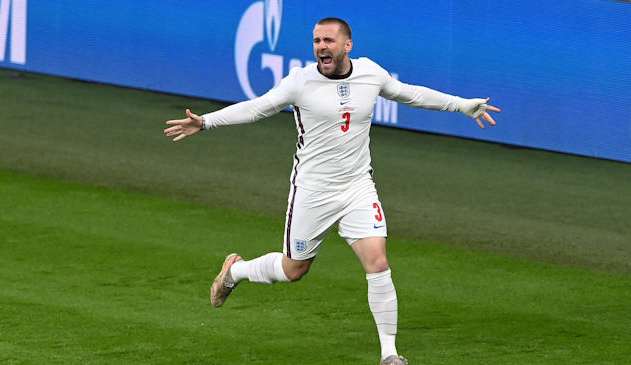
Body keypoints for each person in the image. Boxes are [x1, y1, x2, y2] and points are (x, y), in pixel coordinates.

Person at [164, 17, 500, 365]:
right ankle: (235, 272)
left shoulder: (371, 73)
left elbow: (410, 94)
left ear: (347, 45)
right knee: (295, 270)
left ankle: (390, 354)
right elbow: (256, 108)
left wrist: (461, 104)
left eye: (328, 40)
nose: (321, 47)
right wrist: (206, 122)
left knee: (378, 261)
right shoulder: (300, 82)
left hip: (357, 188)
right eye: (316, 41)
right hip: (312, 192)